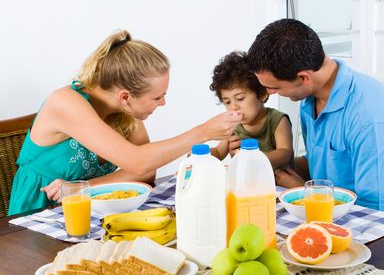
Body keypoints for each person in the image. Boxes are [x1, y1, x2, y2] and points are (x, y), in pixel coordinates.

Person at [8, 30, 242, 216]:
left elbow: (146, 172)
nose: (163, 103)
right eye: (157, 97)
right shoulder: (66, 102)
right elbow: (138, 163)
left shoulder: (124, 112)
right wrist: (203, 132)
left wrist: (83, 188)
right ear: (126, 97)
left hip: (91, 208)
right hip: (38, 213)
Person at [247, 19, 384, 218]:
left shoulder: (370, 119)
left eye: (274, 88)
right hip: (328, 215)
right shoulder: (310, 99)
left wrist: (304, 192)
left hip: (381, 231)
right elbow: (325, 163)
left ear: (303, 78)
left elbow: (379, 214)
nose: (270, 94)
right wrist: (265, 165)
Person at [209, 51, 294, 176]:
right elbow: (218, 152)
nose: (233, 107)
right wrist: (201, 156)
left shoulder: (277, 120)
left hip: (278, 182)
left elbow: (285, 152)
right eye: (227, 102)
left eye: (240, 98)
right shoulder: (233, 125)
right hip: (247, 184)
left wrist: (255, 160)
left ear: (262, 94)